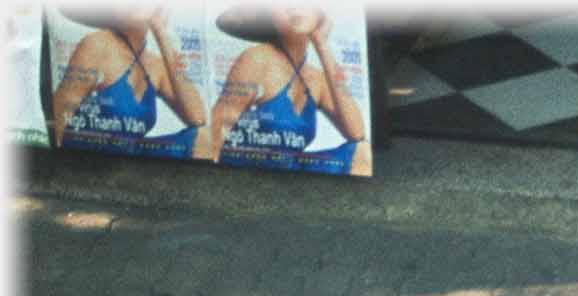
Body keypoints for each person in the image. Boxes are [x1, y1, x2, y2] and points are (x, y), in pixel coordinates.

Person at [209, 5, 370, 176]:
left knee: (362, 153)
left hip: (289, 173)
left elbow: (357, 133)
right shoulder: (257, 59)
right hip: (246, 172)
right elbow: (215, 133)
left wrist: (322, 45)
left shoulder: (316, 78)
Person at [48, 6, 210, 159]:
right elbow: (61, 116)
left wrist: (161, 31)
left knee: (204, 141)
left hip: (130, 162)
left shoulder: (156, 65)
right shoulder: (97, 45)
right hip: (90, 159)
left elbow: (198, 119)